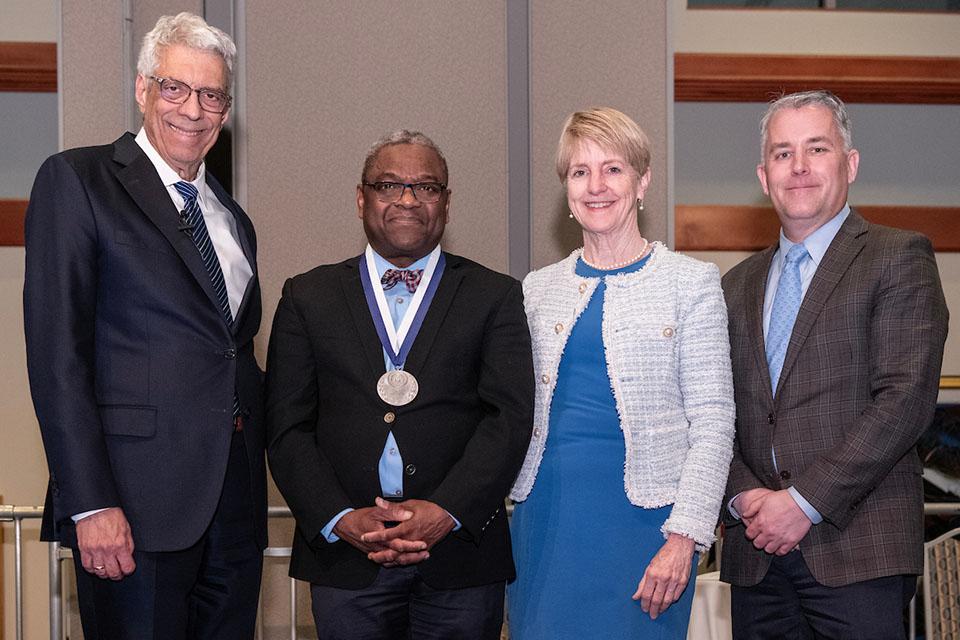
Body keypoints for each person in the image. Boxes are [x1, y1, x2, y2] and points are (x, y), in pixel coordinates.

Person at [23, 12, 266, 639]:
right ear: (142, 89)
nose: (193, 108)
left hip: (233, 512)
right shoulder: (78, 181)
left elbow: (231, 357)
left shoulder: (234, 220)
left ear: (226, 109)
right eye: (175, 87)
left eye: (211, 94)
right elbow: (58, 359)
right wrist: (91, 501)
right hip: (131, 510)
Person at [265, 130, 534, 640]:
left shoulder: (494, 296)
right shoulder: (308, 296)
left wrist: (446, 511)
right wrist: (340, 518)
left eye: (426, 187)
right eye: (389, 186)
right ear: (361, 198)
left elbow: (510, 419)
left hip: (460, 557)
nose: (408, 199)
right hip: (346, 559)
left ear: (446, 204)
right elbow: (287, 427)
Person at [721, 90, 949, 639]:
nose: (798, 167)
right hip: (757, 557)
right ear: (762, 174)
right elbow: (711, 411)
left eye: (816, 148)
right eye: (782, 153)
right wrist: (744, 496)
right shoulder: (733, 285)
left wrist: (803, 503)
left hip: (858, 551)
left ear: (850, 164)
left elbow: (904, 401)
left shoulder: (898, 256)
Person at [508, 107, 736, 639]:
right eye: (580, 172)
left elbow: (714, 421)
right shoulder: (535, 291)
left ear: (642, 181)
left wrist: (686, 537)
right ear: (566, 189)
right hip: (545, 524)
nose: (596, 186)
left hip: (646, 531)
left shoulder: (692, 284)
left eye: (613, 169)